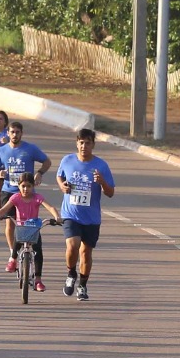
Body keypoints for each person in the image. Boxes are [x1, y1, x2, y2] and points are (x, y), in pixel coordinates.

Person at [56, 129, 115, 300]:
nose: (84, 146)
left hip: (91, 217)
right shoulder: (67, 160)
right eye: (81, 142)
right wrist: (62, 186)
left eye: (87, 143)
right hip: (70, 213)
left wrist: (102, 182)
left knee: (86, 252)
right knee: (73, 245)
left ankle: (82, 285)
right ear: (77, 143)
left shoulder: (101, 166)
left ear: (93, 145)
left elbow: (110, 192)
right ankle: (71, 273)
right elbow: (59, 177)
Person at [0, 122, 50, 270]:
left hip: (27, 193)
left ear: (21, 133)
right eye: (12, 132)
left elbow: (47, 161)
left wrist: (39, 173)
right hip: (9, 191)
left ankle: (28, 250)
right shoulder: (2, 150)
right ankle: (13, 255)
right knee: (10, 223)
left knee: (27, 223)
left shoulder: (30, 149)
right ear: (7, 134)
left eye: (17, 132)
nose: (15, 135)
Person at [0, 173, 60, 292]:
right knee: (17, 240)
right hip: (21, 227)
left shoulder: (37, 197)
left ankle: (38, 280)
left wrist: (56, 216)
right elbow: (6, 208)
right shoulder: (16, 198)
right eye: (23, 186)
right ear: (18, 186)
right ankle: (13, 260)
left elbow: (50, 207)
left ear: (33, 187)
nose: (26, 189)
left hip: (33, 229)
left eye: (28, 186)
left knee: (38, 251)